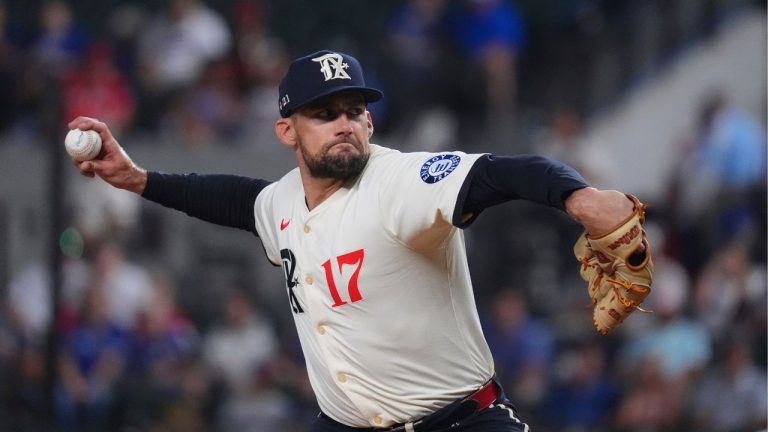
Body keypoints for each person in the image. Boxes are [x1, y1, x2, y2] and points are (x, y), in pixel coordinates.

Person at [69, 49, 644, 431]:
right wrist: (138, 179)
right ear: (287, 131)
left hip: (459, 423)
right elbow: (232, 199)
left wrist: (579, 197)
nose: (344, 121)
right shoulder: (282, 202)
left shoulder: (398, 182)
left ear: (370, 123)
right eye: (324, 113)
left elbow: (497, 172)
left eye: (353, 109)